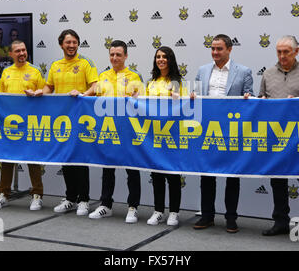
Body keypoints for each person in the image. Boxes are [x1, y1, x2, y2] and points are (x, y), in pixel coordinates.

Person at [259, 35, 299, 242]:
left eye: (286, 51)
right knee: (277, 180)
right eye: (279, 51)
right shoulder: (267, 74)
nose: (282, 55)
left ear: (296, 51)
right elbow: (261, 103)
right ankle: (280, 221)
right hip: (276, 137)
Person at [191, 34, 253, 233]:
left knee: (232, 175)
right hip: (207, 131)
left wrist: (248, 97)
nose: (215, 52)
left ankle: (231, 218)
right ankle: (207, 216)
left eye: (219, 49)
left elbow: (251, 98)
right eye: (213, 48)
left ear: (229, 49)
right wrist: (192, 96)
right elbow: (197, 98)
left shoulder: (244, 71)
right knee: (206, 175)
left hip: (231, 131)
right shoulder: (202, 70)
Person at [43, 29, 98, 215]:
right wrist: (38, 94)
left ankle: (84, 200)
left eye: (74, 42)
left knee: (80, 160)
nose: (72, 45)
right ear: (61, 45)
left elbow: (95, 86)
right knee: (66, 159)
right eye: (68, 42)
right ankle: (70, 198)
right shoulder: (55, 65)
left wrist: (82, 95)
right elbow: (48, 87)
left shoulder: (86, 63)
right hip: (61, 120)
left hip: (81, 120)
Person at [88, 40, 144, 223]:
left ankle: (133, 207)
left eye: (118, 54)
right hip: (108, 131)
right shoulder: (102, 76)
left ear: (126, 56)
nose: (114, 58)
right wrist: (78, 95)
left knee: (132, 170)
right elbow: (91, 100)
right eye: (112, 54)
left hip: (129, 132)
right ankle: (106, 205)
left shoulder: (135, 76)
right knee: (107, 169)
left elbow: (142, 104)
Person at [0, 40, 45, 211]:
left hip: (30, 123)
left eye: (24, 50)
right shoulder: (6, 72)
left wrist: (37, 94)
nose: (21, 53)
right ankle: (3, 194)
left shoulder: (35, 71)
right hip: (11, 124)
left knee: (32, 159)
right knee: (7, 159)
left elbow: (45, 95)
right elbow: (2, 96)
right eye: (18, 51)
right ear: (11, 54)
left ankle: (37, 195)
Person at [145, 46, 188, 226]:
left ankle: (174, 212)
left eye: (164, 57)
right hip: (155, 134)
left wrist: (179, 99)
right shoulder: (151, 82)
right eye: (158, 57)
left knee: (172, 174)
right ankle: (158, 210)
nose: (161, 59)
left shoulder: (178, 81)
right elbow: (144, 106)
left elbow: (185, 108)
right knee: (156, 175)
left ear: (170, 59)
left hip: (173, 134)